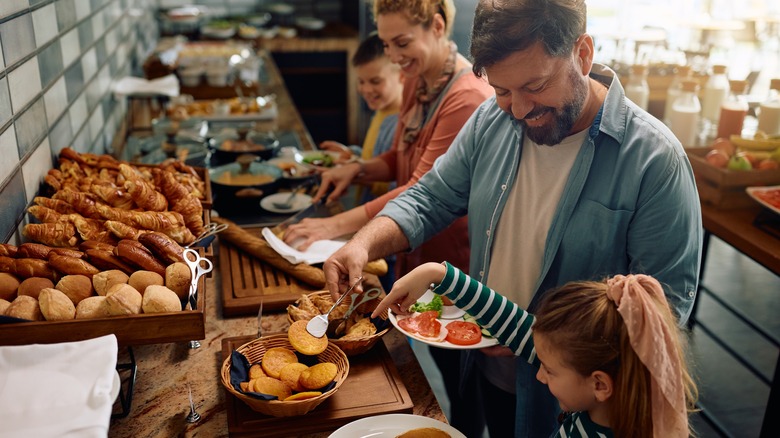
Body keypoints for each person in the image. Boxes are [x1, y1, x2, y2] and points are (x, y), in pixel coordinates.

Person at [322, 0, 703, 436]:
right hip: (487, 366)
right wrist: (362, 243)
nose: (519, 111)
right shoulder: (491, 119)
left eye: (535, 86)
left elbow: (662, 317)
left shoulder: (654, 161)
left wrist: (534, 337)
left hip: (578, 403)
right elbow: (431, 196)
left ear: (582, 54)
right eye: (502, 91)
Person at [284, 2, 492, 431]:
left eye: (402, 43)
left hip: (455, 266)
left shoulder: (467, 95)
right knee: (432, 367)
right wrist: (357, 168)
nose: (395, 56)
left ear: (437, 26)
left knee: (462, 384)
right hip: (414, 254)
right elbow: (401, 157)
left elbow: (422, 187)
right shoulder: (419, 78)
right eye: (385, 44)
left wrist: (336, 226)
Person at [371, 263, 699, 438]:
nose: (539, 374)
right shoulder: (599, 394)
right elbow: (515, 324)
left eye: (549, 370)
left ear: (600, 383)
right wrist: (437, 274)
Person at [318, 32, 403, 207]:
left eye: (375, 81)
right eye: (361, 81)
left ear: (402, 74)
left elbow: (394, 186)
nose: (366, 90)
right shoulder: (382, 110)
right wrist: (352, 155)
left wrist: (352, 171)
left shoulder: (399, 122)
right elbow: (373, 155)